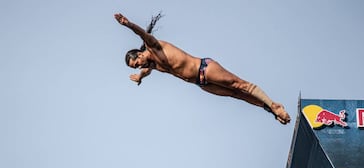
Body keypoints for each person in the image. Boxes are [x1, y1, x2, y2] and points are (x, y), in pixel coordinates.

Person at [114, 13, 291, 125]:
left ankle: (274, 105)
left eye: (138, 63)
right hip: (201, 83)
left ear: (139, 54)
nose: (141, 66)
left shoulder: (154, 47)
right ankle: (269, 109)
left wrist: (128, 24)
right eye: (137, 67)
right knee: (236, 95)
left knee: (239, 85)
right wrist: (140, 77)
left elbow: (142, 34)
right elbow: (147, 71)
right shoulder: (152, 65)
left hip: (205, 69)